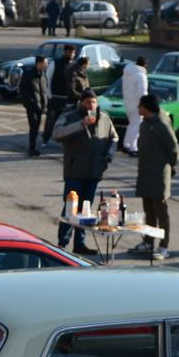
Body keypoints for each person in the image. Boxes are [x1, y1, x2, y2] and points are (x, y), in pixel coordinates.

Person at [53, 94, 116, 254]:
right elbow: (58, 133)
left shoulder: (104, 118)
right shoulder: (70, 115)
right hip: (75, 171)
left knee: (85, 210)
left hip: (94, 171)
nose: (91, 105)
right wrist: (80, 124)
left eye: (94, 102)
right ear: (80, 103)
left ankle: (80, 244)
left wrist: (107, 157)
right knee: (70, 209)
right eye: (88, 102)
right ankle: (62, 245)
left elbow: (113, 138)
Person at [132, 93, 178, 260]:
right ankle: (148, 242)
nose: (138, 108)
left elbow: (173, 150)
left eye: (140, 105)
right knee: (148, 211)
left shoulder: (161, 125)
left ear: (147, 107)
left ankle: (163, 246)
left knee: (161, 212)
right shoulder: (145, 124)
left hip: (158, 176)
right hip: (145, 175)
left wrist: (169, 168)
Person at [45, 44, 80, 142]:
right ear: (65, 52)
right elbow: (48, 79)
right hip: (56, 98)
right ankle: (45, 139)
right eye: (70, 52)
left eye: (73, 52)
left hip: (69, 99)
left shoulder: (75, 65)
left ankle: (65, 140)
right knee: (51, 120)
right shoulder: (55, 63)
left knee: (68, 121)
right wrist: (50, 95)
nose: (71, 54)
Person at [20, 55, 50, 157]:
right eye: (45, 63)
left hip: (41, 106)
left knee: (37, 127)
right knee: (33, 127)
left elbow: (44, 90)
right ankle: (32, 148)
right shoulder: (29, 74)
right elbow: (23, 88)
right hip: (32, 106)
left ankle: (34, 146)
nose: (46, 65)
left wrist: (46, 102)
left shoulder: (43, 75)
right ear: (39, 63)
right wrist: (31, 101)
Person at [120, 55, 149, 154]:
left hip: (128, 102)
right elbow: (141, 92)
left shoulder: (127, 74)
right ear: (145, 66)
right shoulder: (141, 76)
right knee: (136, 125)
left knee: (132, 124)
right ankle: (133, 147)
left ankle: (126, 144)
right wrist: (145, 103)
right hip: (137, 104)